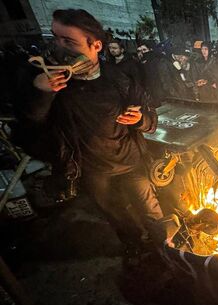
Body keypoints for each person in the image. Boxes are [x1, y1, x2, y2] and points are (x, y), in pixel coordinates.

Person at [17, 9, 175, 260]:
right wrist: (41, 92)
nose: (59, 47)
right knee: (116, 214)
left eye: (69, 41)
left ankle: (166, 249)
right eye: (56, 38)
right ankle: (133, 245)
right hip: (92, 170)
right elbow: (31, 126)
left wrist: (140, 119)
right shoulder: (52, 83)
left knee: (150, 209)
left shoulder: (119, 79)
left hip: (130, 162)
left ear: (96, 45)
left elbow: (150, 117)